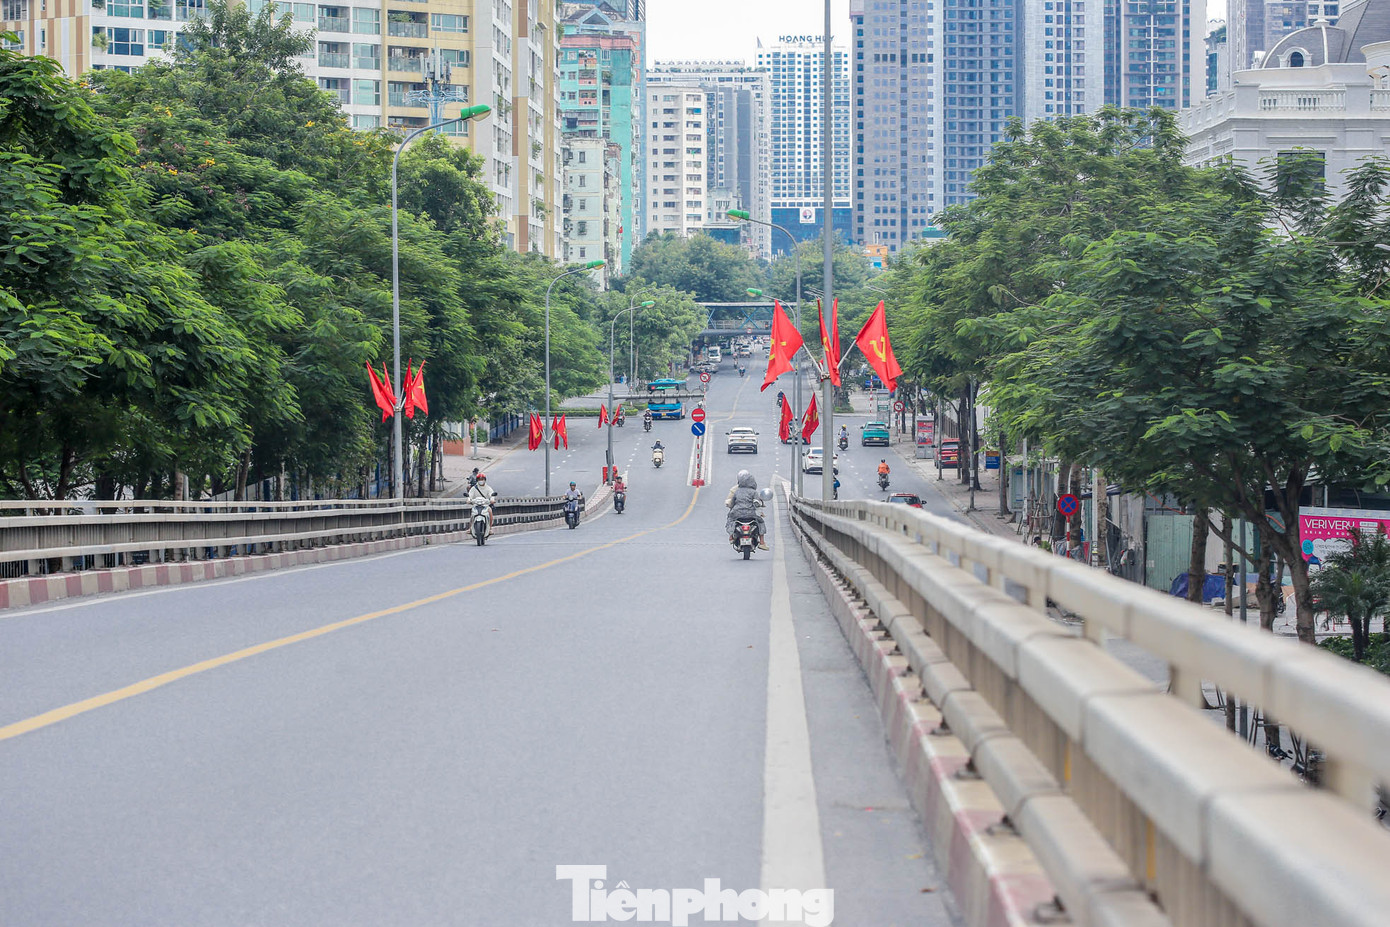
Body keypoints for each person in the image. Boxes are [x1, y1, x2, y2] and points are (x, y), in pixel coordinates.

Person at [725, 469, 768, 550]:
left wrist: (731, 508)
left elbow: (732, 503)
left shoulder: (737, 491)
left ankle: (731, 537)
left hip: (737, 513)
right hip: (751, 513)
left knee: (730, 519)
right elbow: (757, 503)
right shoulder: (754, 492)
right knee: (760, 522)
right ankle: (762, 542)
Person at [467, 472, 498, 536]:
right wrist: (469, 500)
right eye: (479, 479)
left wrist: (492, 499)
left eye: (482, 479)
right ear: (477, 480)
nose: (481, 481)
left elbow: (491, 495)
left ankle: (490, 529)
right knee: (472, 514)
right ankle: (470, 528)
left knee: (490, 511)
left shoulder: (488, 488)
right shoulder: (474, 488)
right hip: (476, 505)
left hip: (485, 506)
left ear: (485, 480)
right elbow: (470, 495)